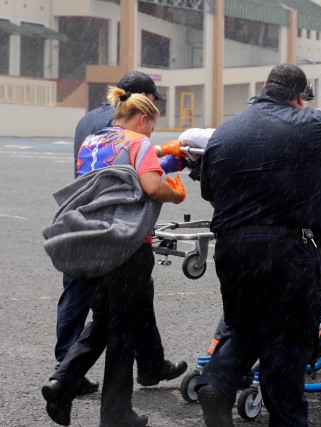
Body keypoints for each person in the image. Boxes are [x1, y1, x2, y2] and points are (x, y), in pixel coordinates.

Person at [197, 63, 321, 426]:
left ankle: (218, 381)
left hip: (234, 250)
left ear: (264, 88)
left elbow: (210, 192)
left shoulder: (225, 132)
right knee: (286, 347)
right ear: (299, 96)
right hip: (290, 251)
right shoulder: (312, 124)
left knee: (247, 328)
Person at [41, 86, 187, 427]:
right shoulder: (139, 143)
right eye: (151, 124)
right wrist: (175, 194)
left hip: (94, 242)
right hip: (128, 246)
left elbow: (115, 178)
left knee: (104, 322)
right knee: (121, 333)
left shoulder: (94, 142)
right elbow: (151, 187)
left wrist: (159, 161)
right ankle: (116, 414)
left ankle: (62, 383)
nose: (152, 132)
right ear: (142, 118)